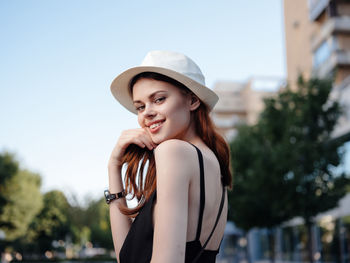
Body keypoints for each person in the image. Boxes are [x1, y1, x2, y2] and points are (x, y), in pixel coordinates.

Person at [107, 50, 232, 263]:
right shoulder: (211, 163)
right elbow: (126, 257)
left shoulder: (173, 152)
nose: (147, 113)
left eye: (159, 99)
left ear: (192, 100)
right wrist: (113, 166)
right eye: (140, 106)